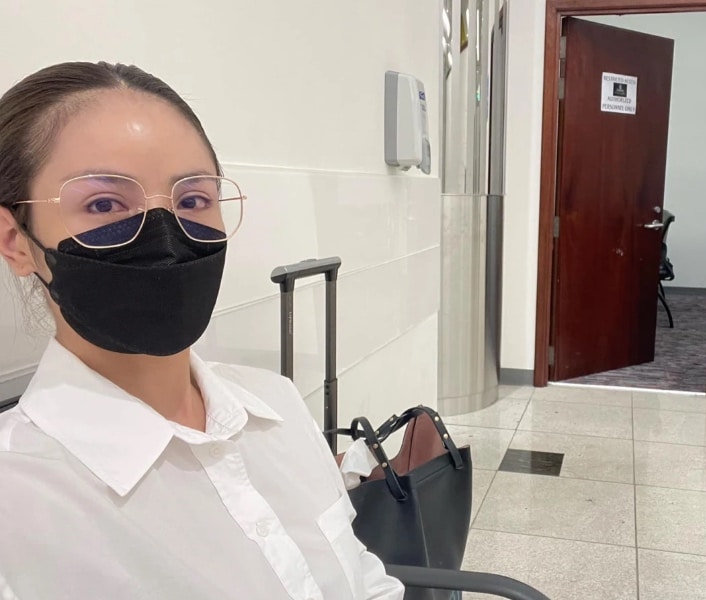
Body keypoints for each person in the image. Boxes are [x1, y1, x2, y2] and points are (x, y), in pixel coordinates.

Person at [0, 62, 404, 600]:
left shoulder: (276, 404)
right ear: (15, 240)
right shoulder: (18, 506)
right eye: (104, 204)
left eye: (192, 200)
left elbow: (363, 577)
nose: (166, 237)